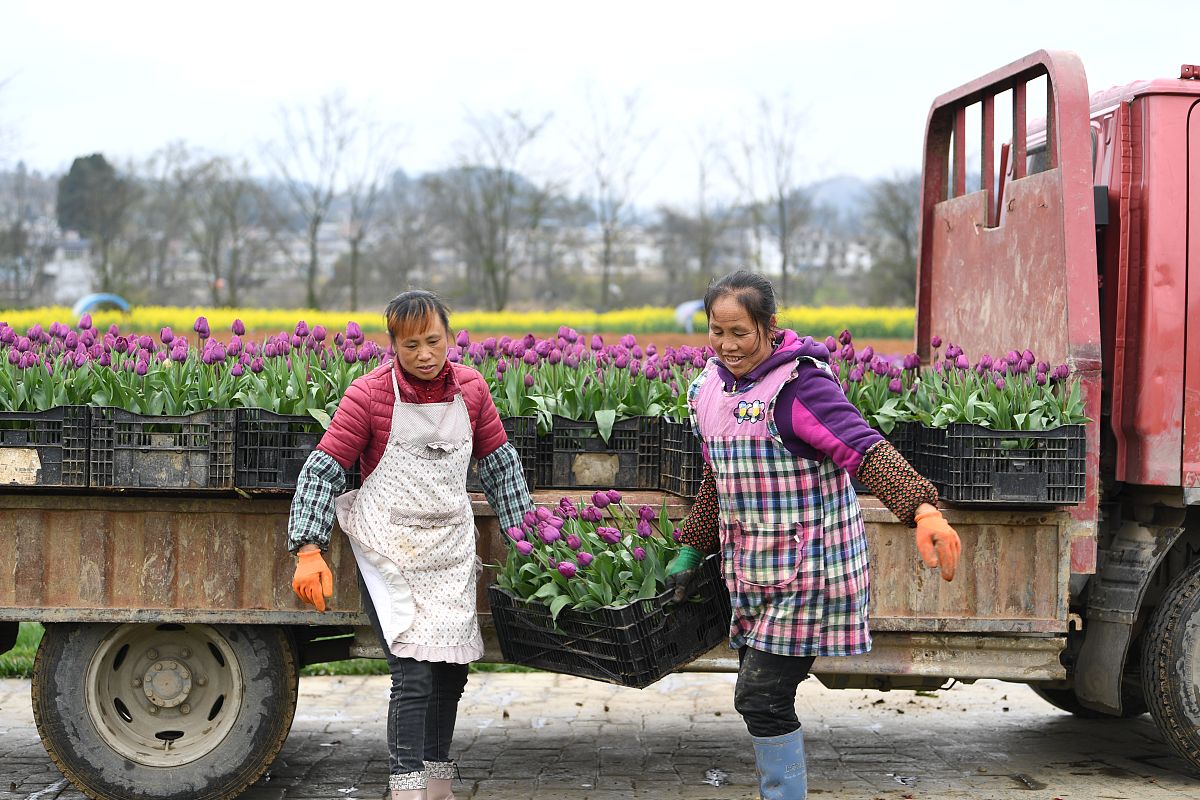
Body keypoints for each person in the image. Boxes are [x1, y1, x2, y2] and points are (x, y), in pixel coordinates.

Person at [664, 270, 961, 800]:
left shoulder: (801, 387)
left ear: (770, 327)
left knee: (761, 699)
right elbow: (718, 478)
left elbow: (862, 448)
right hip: (752, 569)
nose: (728, 345)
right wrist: (692, 545)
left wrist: (922, 509)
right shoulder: (707, 390)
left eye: (741, 333)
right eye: (717, 332)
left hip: (810, 570)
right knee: (762, 697)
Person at [287, 290, 533, 800]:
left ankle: (436, 782)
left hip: (448, 548)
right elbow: (323, 469)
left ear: (451, 336)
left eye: (434, 341)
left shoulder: (471, 388)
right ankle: (406, 787)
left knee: (451, 674)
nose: (425, 354)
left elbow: (500, 466)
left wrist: (528, 542)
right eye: (411, 345)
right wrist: (308, 547)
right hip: (390, 548)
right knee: (414, 675)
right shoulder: (369, 395)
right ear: (393, 345)